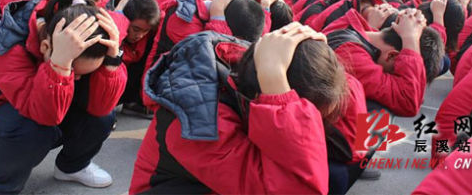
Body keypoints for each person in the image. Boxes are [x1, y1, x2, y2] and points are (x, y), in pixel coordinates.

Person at [130, 22, 346, 194]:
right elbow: (301, 190)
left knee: (337, 169)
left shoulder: (254, 65)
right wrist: (278, 92)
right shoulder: (198, 120)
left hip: (218, 178)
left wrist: (318, 55)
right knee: (337, 173)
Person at [0, 0, 127, 194]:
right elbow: (46, 115)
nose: (76, 79)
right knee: (32, 130)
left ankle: (72, 167)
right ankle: (4, 188)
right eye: (74, 72)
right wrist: (59, 66)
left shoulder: (100, 32)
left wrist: (112, 61)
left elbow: (101, 107)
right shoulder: (9, 47)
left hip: (48, 103)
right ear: (45, 46)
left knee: (102, 116)